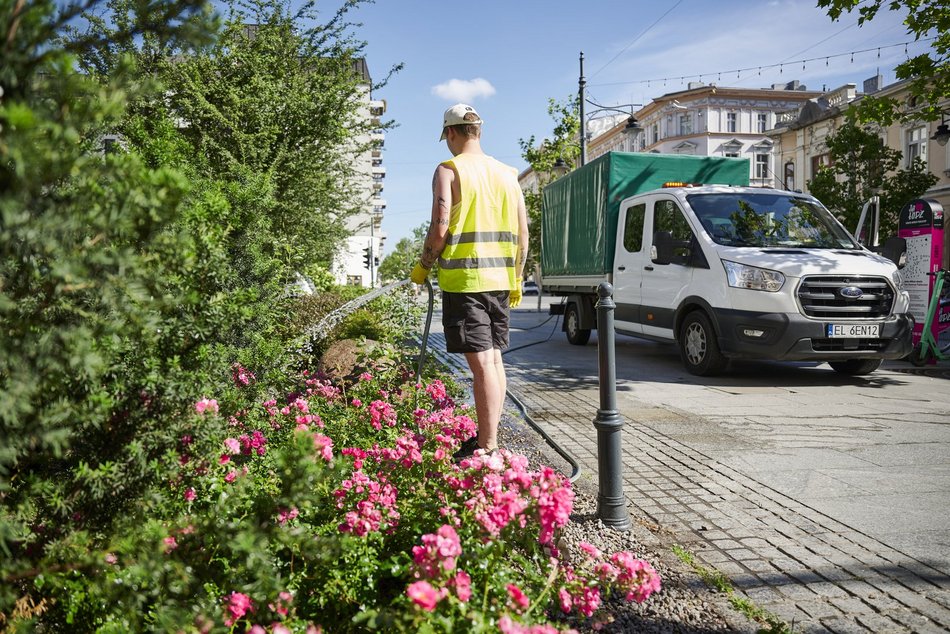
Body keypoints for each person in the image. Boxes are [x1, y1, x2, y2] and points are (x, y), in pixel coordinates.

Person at [410, 103, 529, 460]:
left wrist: (422, 267)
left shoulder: (448, 170)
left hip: (466, 281)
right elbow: (523, 234)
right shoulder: (508, 174)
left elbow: (440, 228)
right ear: (479, 131)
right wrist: (517, 278)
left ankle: (487, 447)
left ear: (450, 132)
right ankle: (489, 439)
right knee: (494, 362)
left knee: (482, 367)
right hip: (500, 281)